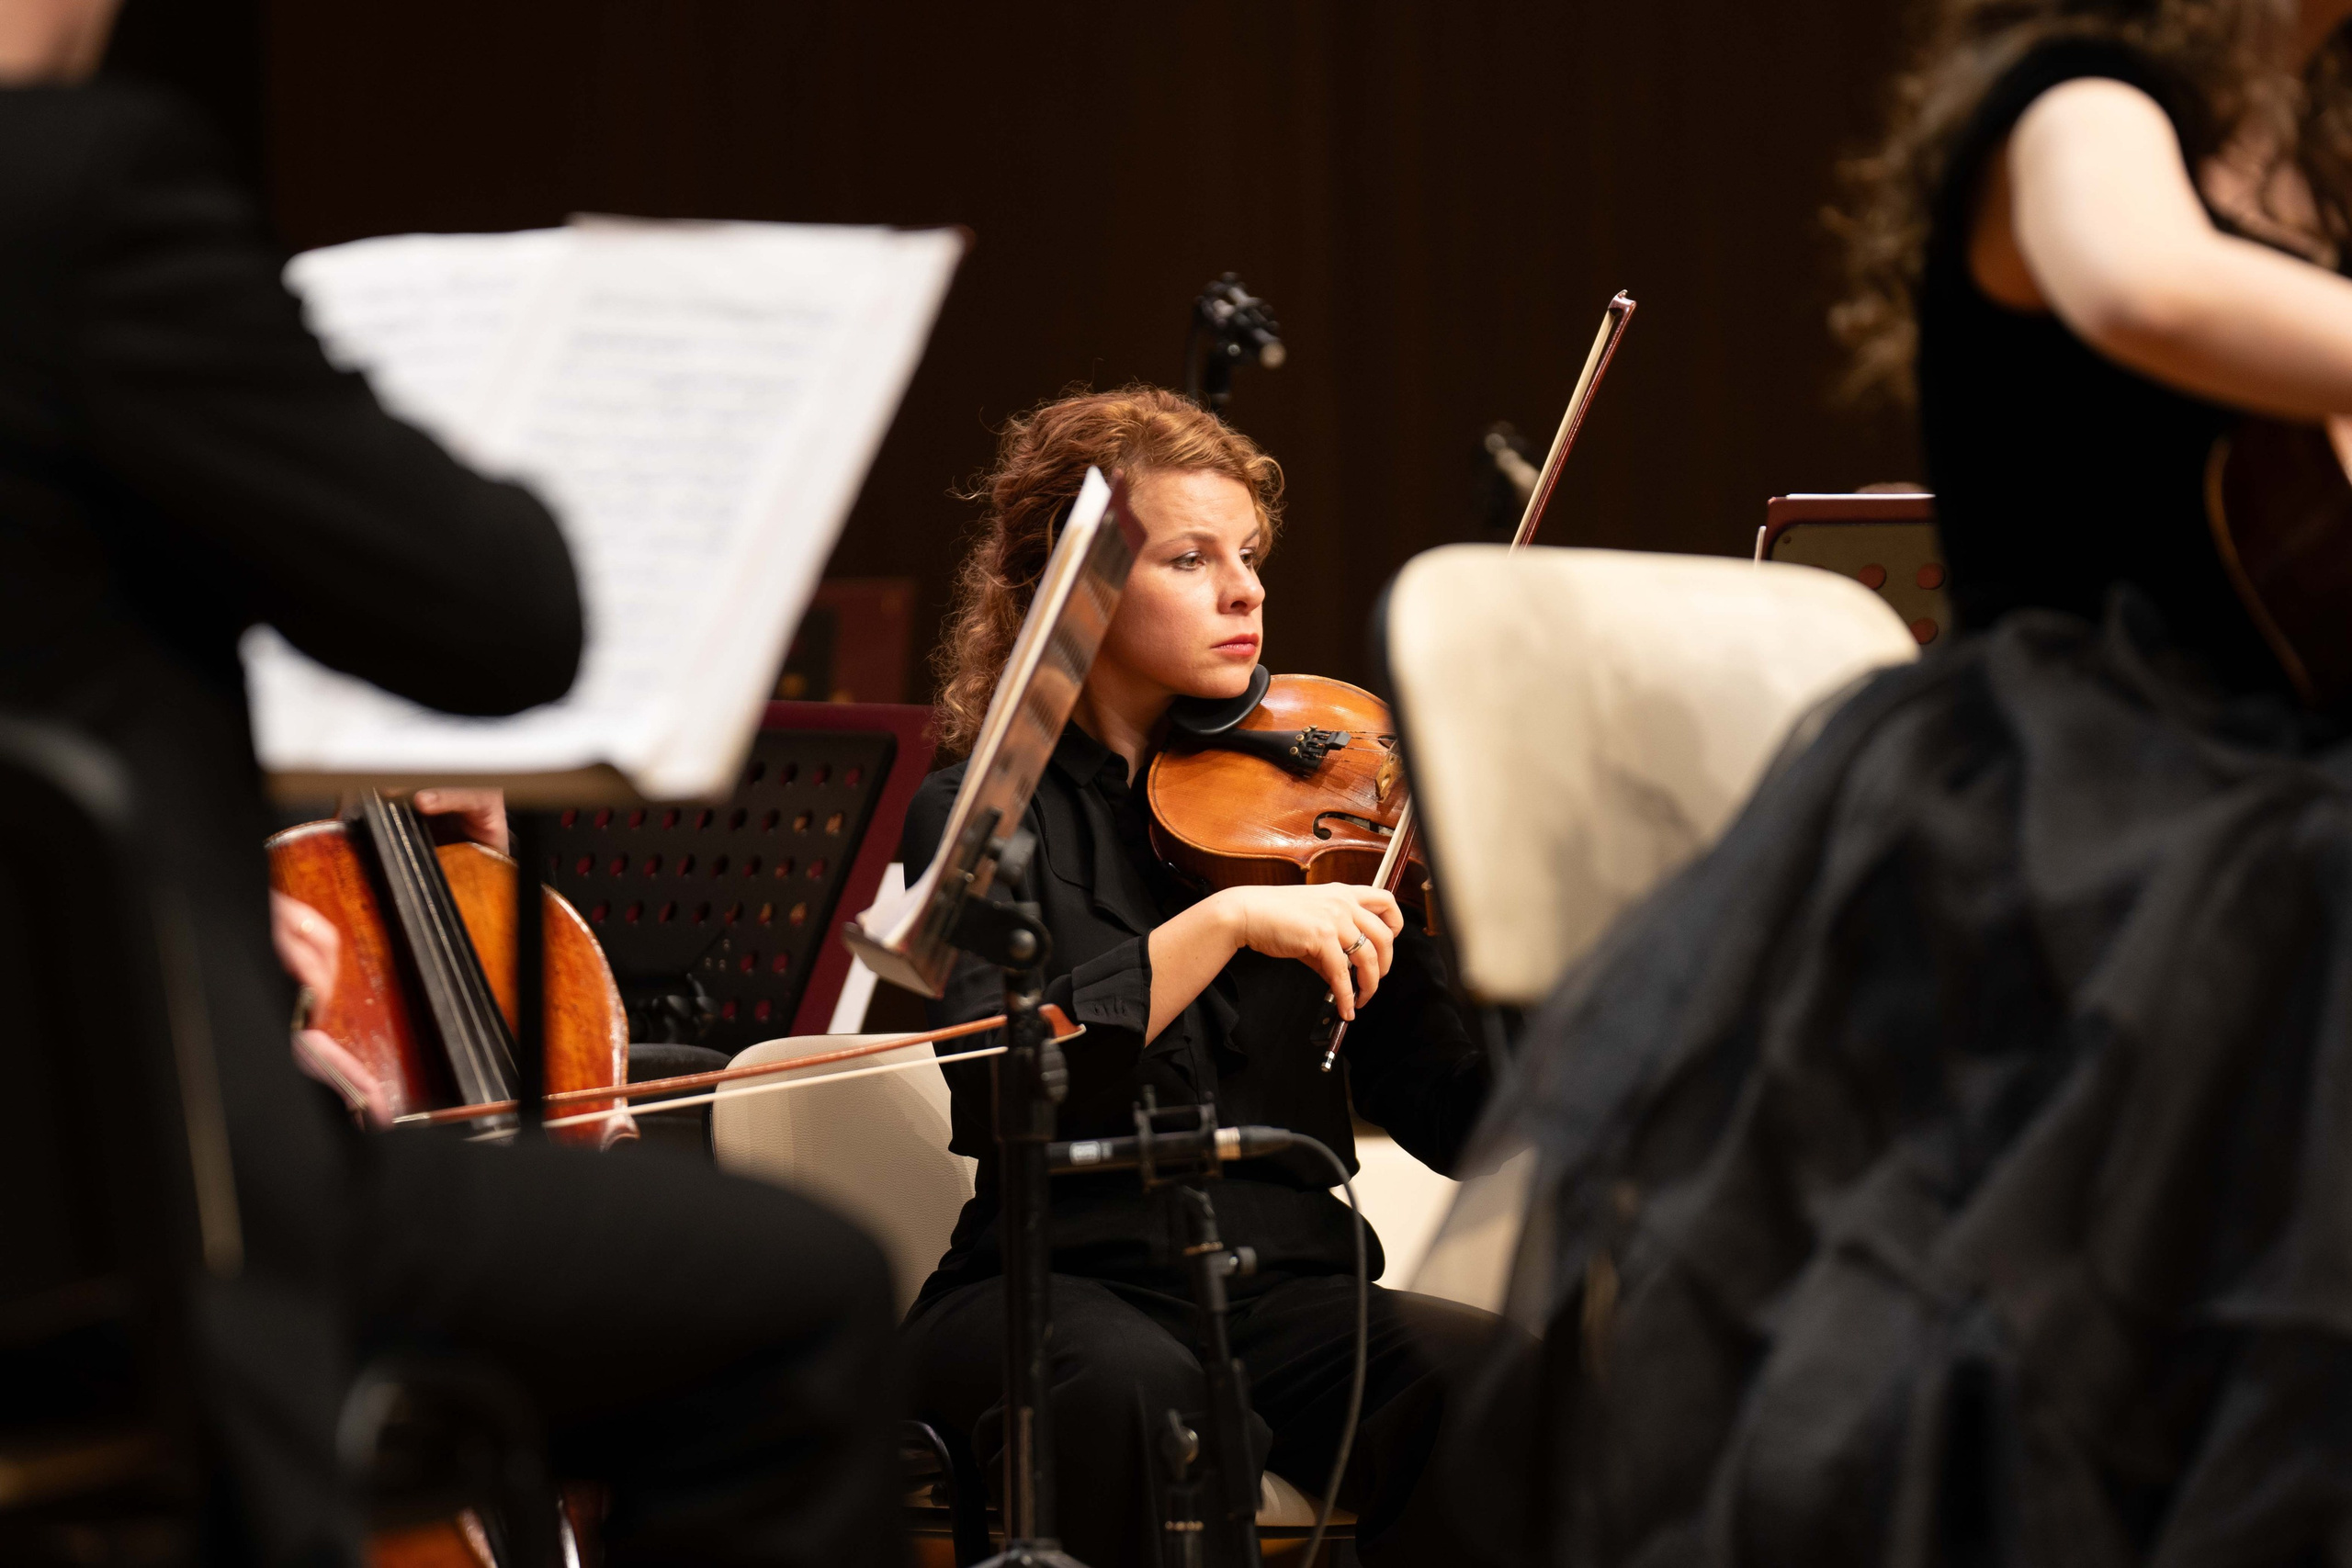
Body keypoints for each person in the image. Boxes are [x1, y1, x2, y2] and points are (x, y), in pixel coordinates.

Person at [1443, 0, 2352, 1562]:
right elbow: (2144, 286)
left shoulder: (2316, 160)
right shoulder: (2079, 103)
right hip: (2074, 811)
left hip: (2256, 789)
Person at [0, 4, 902, 1562]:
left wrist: (163, 908)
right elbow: (498, 616)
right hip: (121, 1212)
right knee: (794, 1302)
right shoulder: (72, 188)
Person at [899, 386, 1505, 1567]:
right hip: (1058, 1284)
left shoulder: (1312, 816)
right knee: (1141, 1395)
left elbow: (1458, 1112)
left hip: (1281, 1288)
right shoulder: (977, 807)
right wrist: (1221, 923)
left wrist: (1527, 950)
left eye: (1250, 554)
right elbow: (998, 1089)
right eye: (1191, 558)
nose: (1247, 590)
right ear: (1076, 587)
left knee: (1509, 1387)